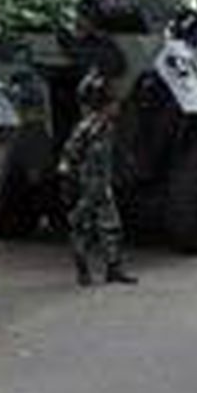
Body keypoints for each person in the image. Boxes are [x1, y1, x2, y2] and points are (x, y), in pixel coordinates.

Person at [58, 69, 138, 287]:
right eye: (114, 104)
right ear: (105, 105)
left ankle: (114, 269)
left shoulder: (107, 128)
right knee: (81, 229)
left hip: (102, 186)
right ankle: (82, 271)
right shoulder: (87, 128)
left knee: (112, 227)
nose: (118, 108)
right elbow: (69, 154)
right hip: (86, 186)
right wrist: (67, 182)